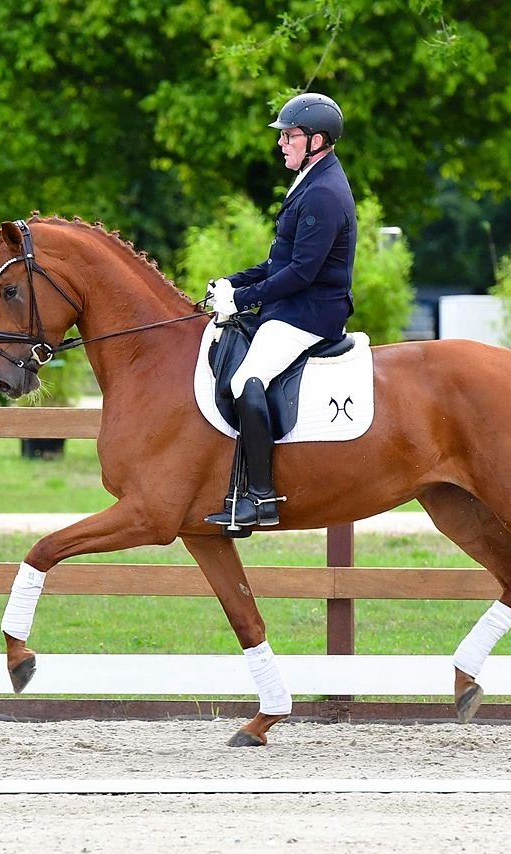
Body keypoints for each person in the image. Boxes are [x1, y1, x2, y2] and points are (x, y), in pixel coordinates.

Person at [204, 92, 358, 530]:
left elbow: (302, 274)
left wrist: (244, 299)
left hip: (310, 312)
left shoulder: (324, 193)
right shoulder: (310, 180)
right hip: (294, 303)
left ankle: (261, 498)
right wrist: (233, 283)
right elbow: (278, 263)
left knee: (246, 380)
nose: (281, 144)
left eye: (289, 136)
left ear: (317, 140)